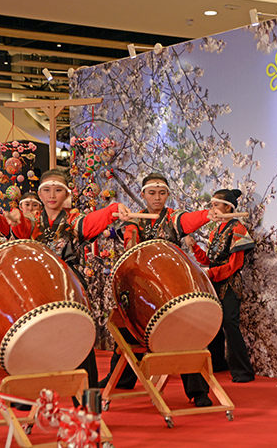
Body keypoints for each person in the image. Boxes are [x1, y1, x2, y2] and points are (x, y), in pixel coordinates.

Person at [99, 173, 220, 407]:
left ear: (167, 195)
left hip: (173, 287)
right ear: (143, 194)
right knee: (126, 328)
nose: (157, 197)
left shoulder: (173, 218)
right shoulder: (134, 220)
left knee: (187, 333)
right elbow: (130, 243)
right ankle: (123, 378)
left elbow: (190, 220)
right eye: (152, 193)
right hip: (144, 287)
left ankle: (198, 391)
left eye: (162, 193)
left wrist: (207, 215)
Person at [5, 169, 131, 388]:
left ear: (66, 194)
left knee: (78, 338)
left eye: (57, 190)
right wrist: (10, 221)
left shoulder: (74, 221)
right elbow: (22, 229)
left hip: (69, 285)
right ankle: (29, 393)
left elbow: (96, 219)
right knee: (31, 336)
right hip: (37, 286)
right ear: (40, 194)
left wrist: (113, 210)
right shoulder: (32, 222)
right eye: (46, 190)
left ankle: (87, 395)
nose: (52, 195)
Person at [185, 189, 256, 383]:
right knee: (213, 322)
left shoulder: (238, 229)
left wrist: (211, 273)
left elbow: (235, 264)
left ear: (228, 207)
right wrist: (194, 248)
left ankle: (243, 371)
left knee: (230, 323)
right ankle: (218, 363)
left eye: (216, 204)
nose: (212, 208)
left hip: (230, 282)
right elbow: (210, 260)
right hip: (214, 281)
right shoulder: (214, 231)